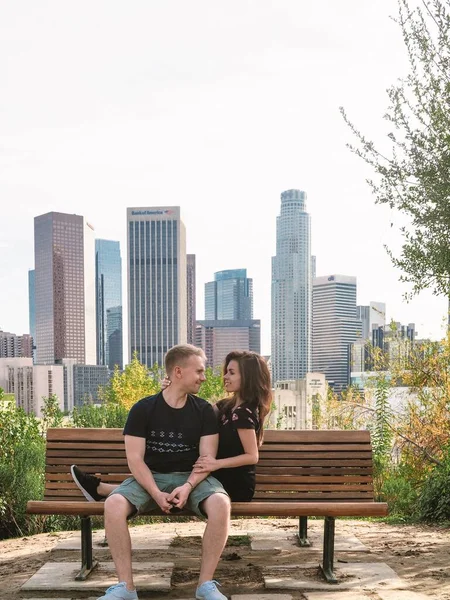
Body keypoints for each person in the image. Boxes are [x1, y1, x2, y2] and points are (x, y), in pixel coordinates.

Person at [74, 344, 231, 600]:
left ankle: (205, 586)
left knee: (221, 503)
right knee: (113, 504)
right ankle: (126, 588)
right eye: (199, 371)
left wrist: (188, 486)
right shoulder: (143, 409)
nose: (204, 377)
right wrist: (156, 493)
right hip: (150, 477)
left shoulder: (204, 410)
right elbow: (135, 460)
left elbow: (206, 458)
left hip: (193, 478)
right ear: (178, 372)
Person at [72, 350, 272, 505]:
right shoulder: (227, 406)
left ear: (247, 377)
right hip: (212, 475)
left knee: (176, 483)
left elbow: (252, 456)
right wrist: (173, 390)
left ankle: (102, 490)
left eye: (231, 372)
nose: (225, 376)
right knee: (172, 480)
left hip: (232, 483)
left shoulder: (245, 413)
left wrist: (215, 465)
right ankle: (102, 489)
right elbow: (200, 409)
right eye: (226, 371)